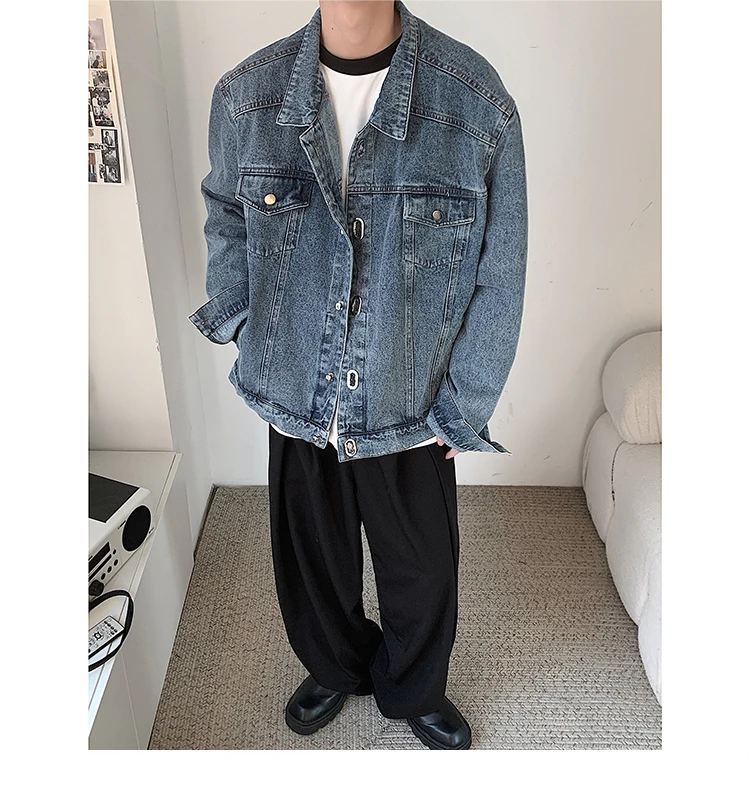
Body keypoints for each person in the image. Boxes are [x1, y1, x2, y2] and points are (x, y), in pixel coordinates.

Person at [189, 0, 528, 750]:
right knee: (311, 561)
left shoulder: (474, 102)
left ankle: (414, 688)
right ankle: (336, 667)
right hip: (295, 389)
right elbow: (225, 215)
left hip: (411, 398)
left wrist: (465, 402)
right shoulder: (246, 97)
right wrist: (247, 324)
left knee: (422, 570)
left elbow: (500, 272)